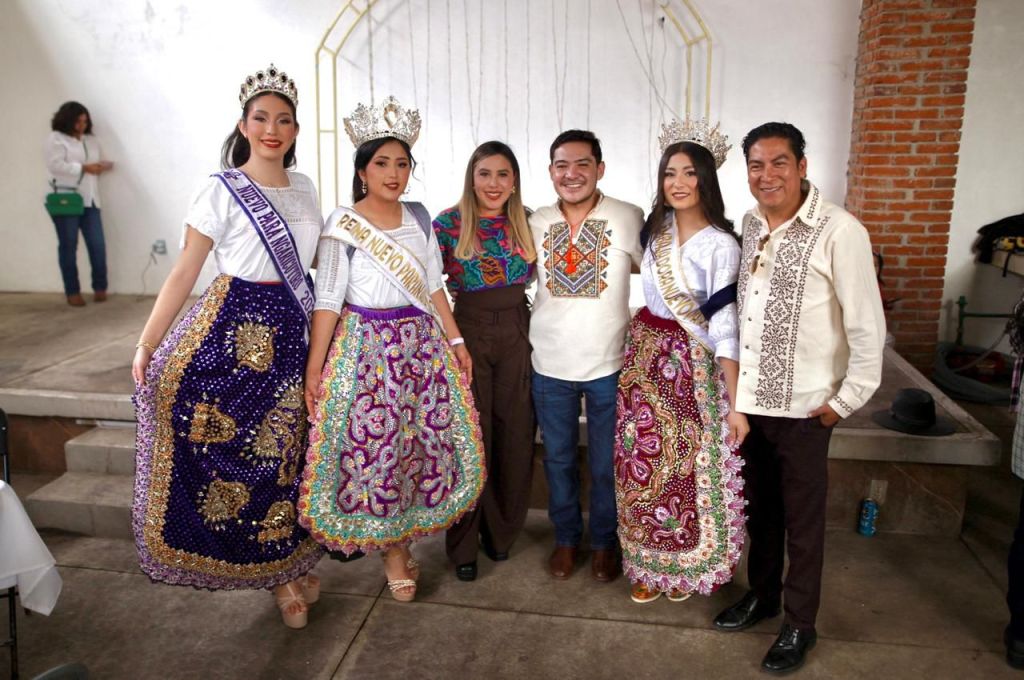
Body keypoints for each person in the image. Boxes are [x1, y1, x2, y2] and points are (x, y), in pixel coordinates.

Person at [131, 65, 324, 629]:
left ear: (294, 130)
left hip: (294, 330)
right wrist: (148, 342)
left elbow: (319, 263)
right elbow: (184, 271)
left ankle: (291, 558)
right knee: (247, 454)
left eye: (283, 120)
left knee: (290, 452)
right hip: (235, 334)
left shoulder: (306, 188)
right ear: (243, 125)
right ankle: (276, 576)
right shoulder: (220, 188)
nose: (272, 129)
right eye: (261, 118)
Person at [712, 122, 885, 674]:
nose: (767, 175)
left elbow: (867, 327)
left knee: (803, 526)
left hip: (808, 409)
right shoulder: (750, 224)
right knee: (760, 513)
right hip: (753, 405)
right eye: (756, 165)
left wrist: (845, 401)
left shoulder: (840, 231)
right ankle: (762, 595)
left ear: (802, 166)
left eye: (779, 163)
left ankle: (800, 623)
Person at [298, 96, 486, 602]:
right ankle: (392, 550)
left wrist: (456, 340)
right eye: (382, 163)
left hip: (420, 348)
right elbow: (328, 300)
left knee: (416, 445)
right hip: (367, 349)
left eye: (402, 164)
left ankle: (403, 539)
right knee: (377, 447)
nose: (393, 174)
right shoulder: (342, 224)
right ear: (362, 171)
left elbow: (432, 285)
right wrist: (315, 369)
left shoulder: (419, 218)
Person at [614, 119, 748, 604]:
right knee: (640, 463)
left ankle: (684, 568)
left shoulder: (721, 245)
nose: (678, 182)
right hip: (645, 359)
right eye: (670, 172)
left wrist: (735, 404)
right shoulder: (657, 231)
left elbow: (725, 326)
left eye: (689, 172)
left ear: (706, 178)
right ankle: (647, 564)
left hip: (691, 364)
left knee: (686, 466)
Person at [530, 129, 643, 582]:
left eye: (582, 164)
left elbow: (660, 270)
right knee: (557, 459)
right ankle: (565, 539)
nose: (572, 174)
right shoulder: (535, 221)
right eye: (562, 165)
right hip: (548, 362)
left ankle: (604, 543)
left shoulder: (628, 216)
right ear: (551, 171)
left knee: (605, 463)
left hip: (609, 363)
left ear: (600, 168)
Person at [433, 141, 537, 582]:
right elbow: (424, 283)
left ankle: (501, 533)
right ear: (471, 178)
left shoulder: (529, 222)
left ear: (514, 181)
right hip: (468, 329)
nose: (493, 183)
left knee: (514, 432)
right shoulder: (447, 225)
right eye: (484, 174)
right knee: (469, 435)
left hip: (517, 327)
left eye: (502, 174)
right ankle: (463, 544)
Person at [45, 101, 113, 306]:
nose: (82, 125)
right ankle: (72, 291)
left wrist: (100, 166)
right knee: (68, 246)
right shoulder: (56, 138)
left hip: (91, 199)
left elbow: (94, 162)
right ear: (67, 120)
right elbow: (55, 165)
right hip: (67, 199)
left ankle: (100, 287)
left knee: (97, 245)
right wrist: (83, 168)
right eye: (78, 121)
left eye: (85, 121)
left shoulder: (90, 140)